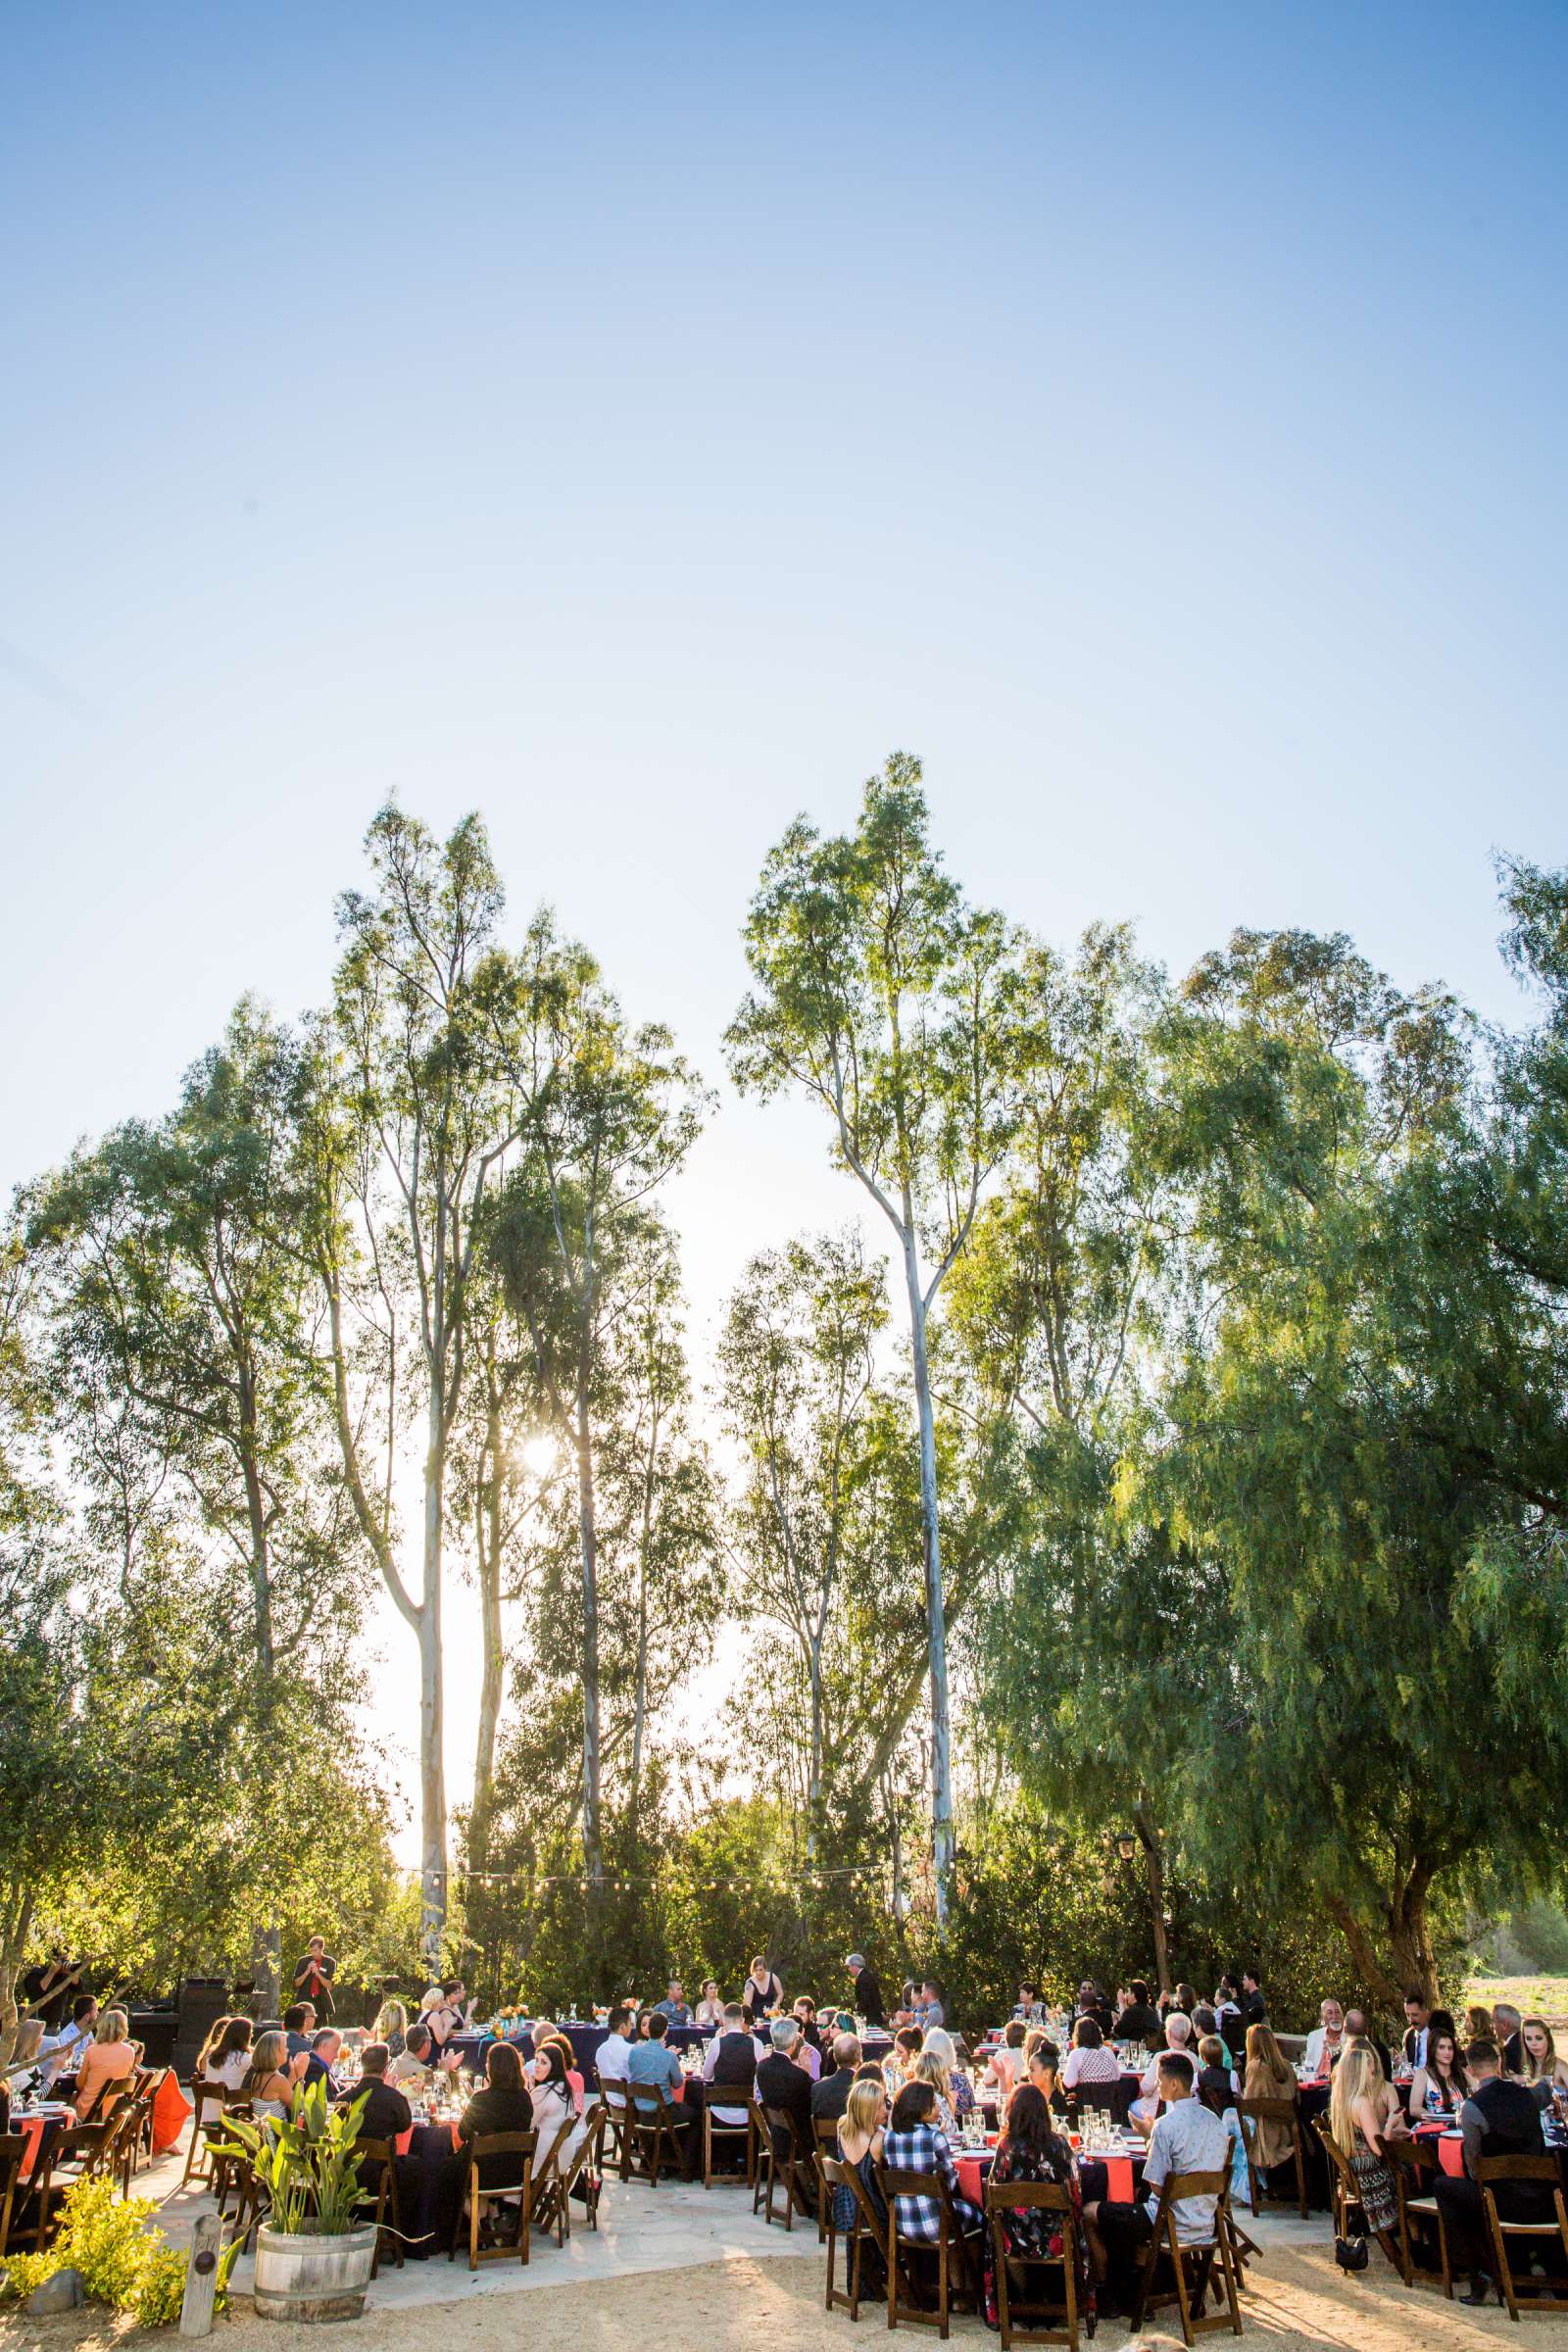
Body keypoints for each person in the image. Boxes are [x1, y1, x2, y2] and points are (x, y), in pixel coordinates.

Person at [1084, 2054, 1228, 2315]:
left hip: (1169, 2221)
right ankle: (1138, 2285)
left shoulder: (1166, 2126)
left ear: (1174, 2085)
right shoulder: (1215, 2122)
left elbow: (1158, 2187)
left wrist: (1152, 2138)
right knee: (1129, 2202)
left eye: (1160, 2081)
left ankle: (1109, 2293)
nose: (1157, 2086)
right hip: (1205, 2219)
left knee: (1091, 2210)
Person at [1434, 2039, 1552, 2307]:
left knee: (1444, 2186)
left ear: (1471, 2071)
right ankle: (1504, 2264)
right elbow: (1547, 2089)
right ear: (1499, 2064)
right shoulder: (1528, 2095)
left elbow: (1475, 2169)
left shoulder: (1472, 2108)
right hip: (1546, 2199)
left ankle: (1480, 2269)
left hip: (1501, 2203)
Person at [984, 2082, 1091, 2328]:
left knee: (992, 2224)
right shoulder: (1060, 2145)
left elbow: (993, 2191)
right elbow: (1075, 2191)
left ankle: (1015, 2299)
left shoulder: (1006, 2147)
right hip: (1056, 2234)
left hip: (1016, 2236)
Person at [432, 2043, 535, 2251]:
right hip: (514, 2170)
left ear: (492, 2068)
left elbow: (462, 2133)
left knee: (442, 2173)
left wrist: (472, 2102)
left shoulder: (482, 2099)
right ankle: (488, 2220)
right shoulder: (525, 2098)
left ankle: (473, 2230)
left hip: (482, 2171)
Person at [882, 2078, 982, 2244]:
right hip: (935, 2221)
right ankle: (971, 2269)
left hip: (902, 2221)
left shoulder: (888, 2138)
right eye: (934, 2104)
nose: (938, 2109)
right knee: (981, 2215)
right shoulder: (934, 2138)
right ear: (920, 2107)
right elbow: (949, 2186)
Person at [1328, 2041, 1399, 2255]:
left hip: (1356, 2168)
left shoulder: (1341, 2100)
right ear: (1360, 2074)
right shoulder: (1362, 2103)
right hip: (1371, 2174)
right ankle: (1414, 2240)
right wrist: (1391, 2123)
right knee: (1412, 2176)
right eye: (1370, 2071)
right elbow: (1379, 2148)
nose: (1373, 2075)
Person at [756, 2017, 816, 2202]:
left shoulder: (762, 2066)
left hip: (776, 2132)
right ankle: (821, 2192)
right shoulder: (797, 2075)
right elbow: (812, 2098)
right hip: (796, 2138)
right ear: (793, 2042)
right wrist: (806, 2071)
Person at [1241, 2024, 1300, 2183]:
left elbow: (1250, 2105)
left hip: (1267, 2132)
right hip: (1289, 2130)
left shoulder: (1255, 2067)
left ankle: (1245, 2189)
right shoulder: (1287, 2066)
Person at [337, 2041, 413, 2154]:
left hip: (349, 2167)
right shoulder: (394, 2098)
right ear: (386, 2068)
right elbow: (405, 2125)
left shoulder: (344, 2098)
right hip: (383, 2167)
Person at [1129, 2013, 1200, 2132]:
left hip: (1157, 2109)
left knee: (1131, 2108)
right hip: (1184, 2110)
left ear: (1169, 2033)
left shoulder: (1161, 2057)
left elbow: (1146, 2089)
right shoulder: (1193, 2057)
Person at [528, 2039, 589, 2171]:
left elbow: (527, 2124)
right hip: (563, 2157)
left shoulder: (543, 2091)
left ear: (554, 2066)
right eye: (536, 2060)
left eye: (543, 2062)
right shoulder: (565, 2088)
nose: (537, 2066)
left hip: (546, 2160)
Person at [703, 2001, 759, 2136]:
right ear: (742, 2020)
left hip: (719, 2112)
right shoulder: (756, 2044)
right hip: (748, 2112)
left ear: (723, 2021)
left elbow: (706, 2075)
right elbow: (761, 2078)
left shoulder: (716, 2043)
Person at [74, 2007, 137, 2121]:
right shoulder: (130, 2051)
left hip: (88, 2112)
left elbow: (80, 2084)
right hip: (114, 2113)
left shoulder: (92, 2050)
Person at [199, 2019, 255, 2122]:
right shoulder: (243, 2058)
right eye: (250, 2034)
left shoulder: (211, 2056)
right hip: (231, 2117)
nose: (252, 2036)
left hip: (208, 2117)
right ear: (244, 2037)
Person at [40, 1994, 99, 2089]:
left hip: (82, 2078)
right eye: (96, 2011)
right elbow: (64, 2067)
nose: (97, 2014)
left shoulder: (89, 2033)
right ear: (87, 2016)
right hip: (67, 2084)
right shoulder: (66, 2037)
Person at [1410, 2026, 1471, 2118]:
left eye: (1450, 2048)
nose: (1447, 2052)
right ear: (1432, 2049)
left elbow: (1479, 2091)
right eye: (1441, 2047)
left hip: (1462, 2125)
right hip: (1437, 2126)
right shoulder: (1423, 2074)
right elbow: (1414, 2109)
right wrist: (1436, 2118)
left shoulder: (1462, 2072)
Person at [242, 2030, 294, 2120]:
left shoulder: (259, 2075)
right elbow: (298, 2107)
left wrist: (294, 2071)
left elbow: (285, 2091)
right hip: (276, 2133)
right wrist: (301, 2077)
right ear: (275, 2052)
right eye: (285, 2046)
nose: (287, 2050)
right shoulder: (278, 2080)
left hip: (263, 2131)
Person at [811, 2033, 863, 2122]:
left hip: (826, 2135)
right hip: (855, 2135)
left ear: (834, 2056)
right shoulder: (864, 2088)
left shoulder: (817, 2088)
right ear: (859, 2056)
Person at [1061, 2016, 1121, 2092]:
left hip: (1087, 2100)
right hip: (1110, 2099)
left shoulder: (1076, 2054)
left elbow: (1069, 2083)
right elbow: (1117, 2077)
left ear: (1077, 2035)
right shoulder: (1108, 2051)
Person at [1519, 2016, 1568, 2099]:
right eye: (1528, 2038)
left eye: (1539, 2038)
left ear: (1548, 2039)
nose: (1533, 2043)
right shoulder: (1525, 2067)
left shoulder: (1560, 2067)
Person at [1344, 2009, 1394, 2084]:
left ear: (1345, 2030)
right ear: (1367, 2029)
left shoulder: (1341, 2058)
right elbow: (1388, 2081)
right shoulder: (1381, 2050)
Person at [292, 1936, 337, 2021]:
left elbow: (330, 1986)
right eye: (311, 1950)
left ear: (321, 1949)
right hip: (305, 2001)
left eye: (315, 1950)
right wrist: (307, 1971)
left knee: (321, 2029)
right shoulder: (303, 1961)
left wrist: (318, 1974)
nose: (313, 1953)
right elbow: (296, 1984)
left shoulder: (330, 1962)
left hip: (321, 2002)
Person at [1195, 2034, 1238, 2116]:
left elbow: (1191, 2094)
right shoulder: (1232, 2075)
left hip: (1207, 2118)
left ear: (1203, 2058)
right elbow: (1238, 2096)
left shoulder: (1197, 2076)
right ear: (1221, 2055)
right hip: (1229, 2117)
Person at [1302, 1998, 1347, 2078]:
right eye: (1330, 2013)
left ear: (1342, 2015)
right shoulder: (1313, 2036)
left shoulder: (1353, 2036)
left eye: (1337, 2012)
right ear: (1323, 2018)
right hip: (1316, 2085)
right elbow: (1307, 2065)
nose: (1334, 2016)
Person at [984, 2019, 1028, 2098]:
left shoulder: (1002, 2055)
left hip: (1008, 2096)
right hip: (1028, 2095)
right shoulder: (1030, 2054)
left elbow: (987, 2079)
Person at [1113, 1980, 1161, 2047]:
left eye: (1128, 1992)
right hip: (1152, 2047)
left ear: (1133, 1995)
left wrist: (1121, 2004)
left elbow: (1118, 2032)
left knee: (1112, 2044)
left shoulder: (1132, 2012)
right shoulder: (1152, 2011)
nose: (1126, 1995)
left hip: (1137, 2048)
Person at [596, 2006, 636, 2085]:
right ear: (623, 2026)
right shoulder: (631, 2050)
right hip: (626, 2097)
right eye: (630, 2024)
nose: (631, 2027)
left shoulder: (600, 2049)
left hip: (607, 2097)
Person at [845, 1953, 886, 2029]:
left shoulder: (863, 1978)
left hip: (871, 2017)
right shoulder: (865, 1975)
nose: (849, 1969)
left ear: (855, 1966)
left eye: (849, 1967)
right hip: (872, 2016)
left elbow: (865, 1999)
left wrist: (857, 2007)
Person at [297, 2027, 342, 2091]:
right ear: (323, 2046)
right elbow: (329, 2099)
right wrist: (359, 2087)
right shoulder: (314, 2068)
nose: (337, 2056)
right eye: (335, 2050)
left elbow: (336, 2086)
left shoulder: (320, 2063)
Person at [742, 1956, 783, 2023]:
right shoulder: (749, 1984)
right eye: (756, 1970)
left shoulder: (773, 1977)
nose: (758, 1972)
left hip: (772, 2014)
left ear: (765, 1969)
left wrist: (776, 2005)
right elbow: (747, 2004)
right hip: (757, 2017)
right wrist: (751, 2019)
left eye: (760, 1970)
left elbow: (780, 1993)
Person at [1492, 2001, 1526, 2077]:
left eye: (1493, 2022)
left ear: (1504, 2025)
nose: (1492, 2026)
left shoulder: (1509, 2051)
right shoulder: (1525, 2042)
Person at [1401, 1990, 1431, 2072]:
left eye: (1415, 2015)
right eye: (1408, 2015)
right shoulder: (1408, 2035)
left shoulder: (1437, 2036)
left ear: (1426, 2013)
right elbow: (1407, 2064)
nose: (1410, 2019)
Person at [1238, 1969, 1267, 2034]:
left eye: (1244, 1979)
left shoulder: (1256, 1999)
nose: (1242, 1982)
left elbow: (1243, 2016)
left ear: (1252, 1981)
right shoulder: (1252, 1997)